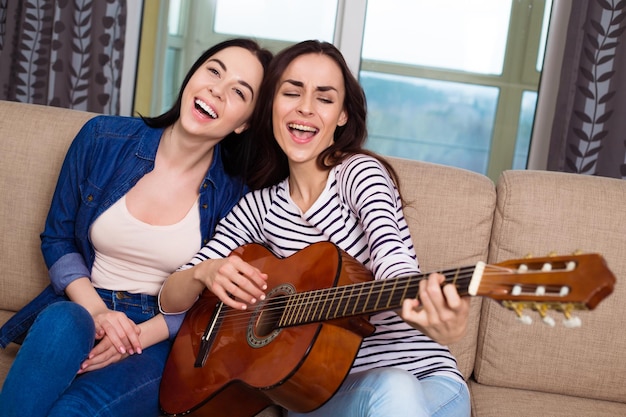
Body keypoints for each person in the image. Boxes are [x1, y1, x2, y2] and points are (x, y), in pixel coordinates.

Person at [159, 40, 471, 417]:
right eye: (292, 92)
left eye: (324, 99)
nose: (305, 107)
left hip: (424, 383)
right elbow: (172, 297)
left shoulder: (359, 175)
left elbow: (394, 260)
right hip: (321, 397)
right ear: (271, 104)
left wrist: (424, 306)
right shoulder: (258, 207)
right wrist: (206, 271)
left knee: (394, 385)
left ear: (342, 115)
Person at [0, 38, 272, 417]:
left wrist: (135, 336)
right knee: (64, 319)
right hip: (82, 305)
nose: (217, 89)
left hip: (158, 335)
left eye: (239, 92)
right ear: (193, 75)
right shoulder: (101, 139)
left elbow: (216, 301)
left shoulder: (238, 196)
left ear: (244, 123)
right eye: (213, 70)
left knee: (73, 411)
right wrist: (100, 314)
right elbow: (58, 239)